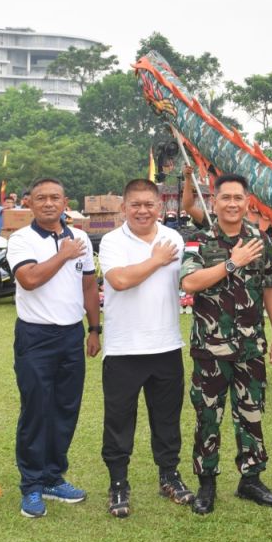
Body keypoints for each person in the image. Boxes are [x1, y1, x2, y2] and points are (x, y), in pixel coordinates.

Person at [180, 173, 272, 514]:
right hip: (210, 349)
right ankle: (206, 483)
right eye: (225, 197)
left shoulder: (260, 241)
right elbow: (190, 282)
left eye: (238, 198)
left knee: (251, 414)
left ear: (247, 201)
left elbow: (270, 287)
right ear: (214, 200)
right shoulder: (200, 239)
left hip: (250, 346)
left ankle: (250, 479)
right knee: (208, 415)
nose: (231, 203)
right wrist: (231, 263)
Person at [94, 178, 194, 518]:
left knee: (167, 421)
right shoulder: (111, 241)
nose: (142, 210)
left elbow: (189, 280)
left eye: (149, 204)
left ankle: (169, 476)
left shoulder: (174, 238)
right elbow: (119, 281)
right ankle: (118, 484)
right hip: (124, 349)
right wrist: (156, 259)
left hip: (166, 345)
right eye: (135, 204)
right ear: (124, 208)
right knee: (119, 422)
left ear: (160, 207)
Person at [6, 177, 99, 519]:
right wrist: (62, 255)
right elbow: (28, 280)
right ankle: (31, 485)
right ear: (29, 202)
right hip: (35, 337)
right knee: (36, 408)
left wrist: (94, 328)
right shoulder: (21, 239)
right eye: (41, 198)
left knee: (65, 408)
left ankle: (52, 476)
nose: (48, 203)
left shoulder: (81, 239)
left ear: (65, 202)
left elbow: (89, 285)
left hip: (72, 335)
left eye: (55, 198)